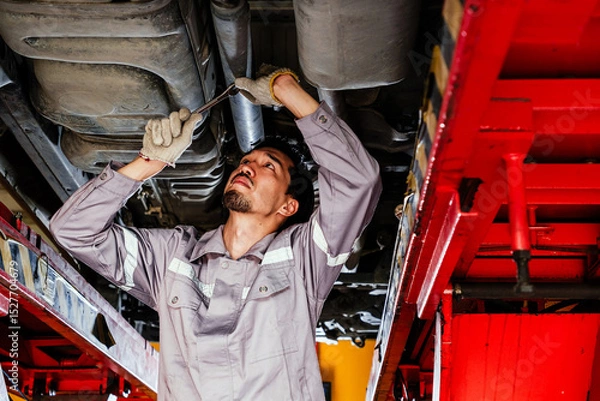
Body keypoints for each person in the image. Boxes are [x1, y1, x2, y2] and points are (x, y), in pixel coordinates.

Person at [50, 69, 382, 401]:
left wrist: (285, 90)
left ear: (288, 206)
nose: (247, 166)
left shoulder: (304, 259)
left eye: (269, 166)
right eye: (246, 160)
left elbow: (358, 180)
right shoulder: (173, 256)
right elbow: (73, 231)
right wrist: (148, 162)